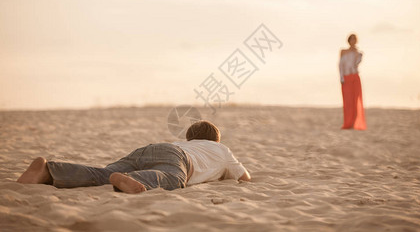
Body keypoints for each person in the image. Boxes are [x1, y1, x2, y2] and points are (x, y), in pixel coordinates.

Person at [17, 120, 251, 194]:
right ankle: (134, 180)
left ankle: (48, 170)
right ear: (216, 140)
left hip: (151, 148)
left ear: (191, 137)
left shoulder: (185, 142)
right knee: (171, 178)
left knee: (103, 174)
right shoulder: (221, 150)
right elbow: (245, 178)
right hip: (178, 159)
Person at [339, 33, 367, 130]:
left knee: (356, 100)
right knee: (347, 101)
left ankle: (355, 123)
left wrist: (359, 56)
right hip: (346, 78)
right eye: (352, 39)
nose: (353, 41)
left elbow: (356, 65)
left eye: (355, 39)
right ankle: (347, 123)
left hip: (355, 77)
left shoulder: (357, 52)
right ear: (349, 40)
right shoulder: (343, 51)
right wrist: (341, 77)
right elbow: (340, 65)